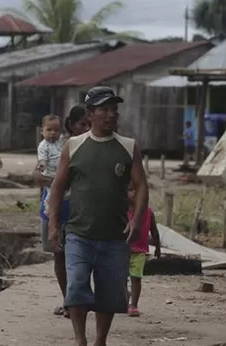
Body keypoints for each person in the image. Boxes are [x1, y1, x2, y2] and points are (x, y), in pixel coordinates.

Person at [48, 86, 148, 346]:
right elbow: (58, 186)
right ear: (90, 114)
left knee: (109, 295)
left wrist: (136, 219)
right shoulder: (74, 146)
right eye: (104, 109)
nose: (111, 114)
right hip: (79, 234)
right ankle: (80, 339)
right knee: (77, 287)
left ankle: (100, 341)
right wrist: (53, 225)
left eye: (114, 109)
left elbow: (141, 185)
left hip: (115, 237)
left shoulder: (128, 147)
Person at [33, 105, 89, 319]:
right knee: (59, 254)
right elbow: (38, 175)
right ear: (72, 125)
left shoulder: (92, 146)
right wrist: (56, 183)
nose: (86, 127)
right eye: (82, 124)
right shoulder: (61, 146)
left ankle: (76, 300)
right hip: (56, 204)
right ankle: (69, 300)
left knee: (78, 256)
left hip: (78, 207)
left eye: (88, 123)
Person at [126, 183, 161, 317]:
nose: (133, 194)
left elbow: (154, 232)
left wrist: (157, 247)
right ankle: (126, 297)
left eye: (136, 190)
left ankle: (133, 304)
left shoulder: (148, 212)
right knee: (121, 279)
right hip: (123, 251)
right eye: (129, 190)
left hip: (139, 251)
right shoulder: (122, 211)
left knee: (136, 278)